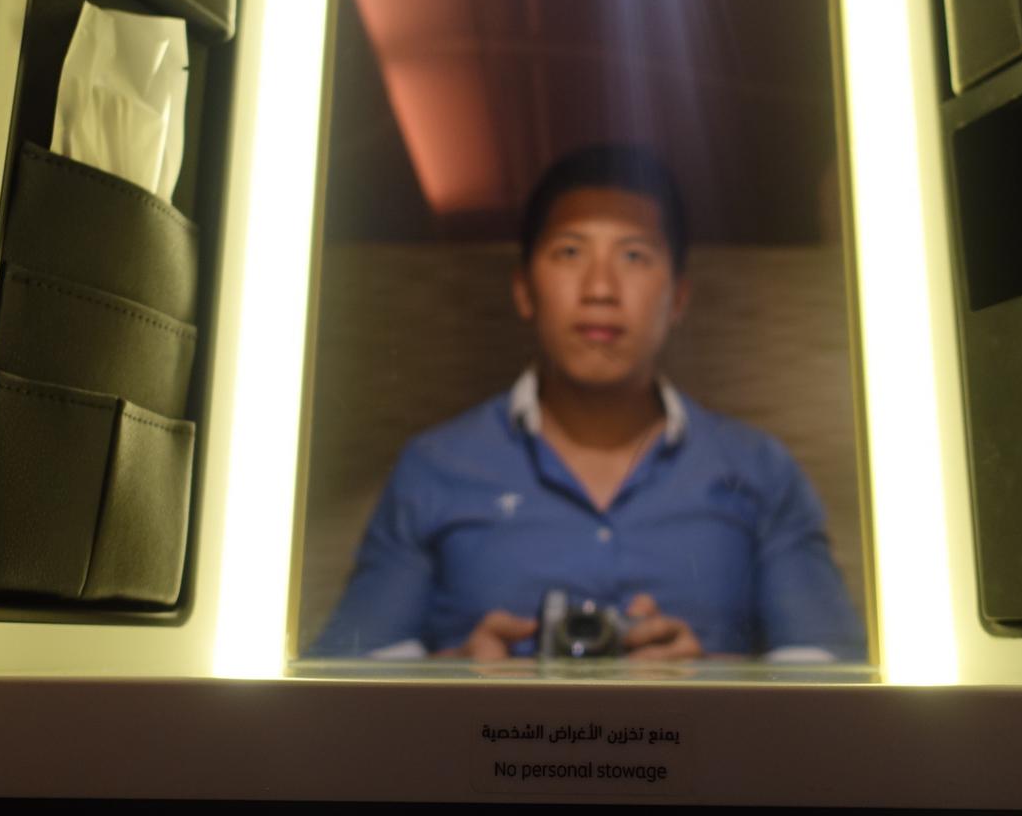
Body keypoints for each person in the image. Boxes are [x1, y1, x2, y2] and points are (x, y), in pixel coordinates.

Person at [309, 143, 866, 661]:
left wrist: (707, 679)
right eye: (570, 251)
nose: (600, 288)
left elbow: (831, 677)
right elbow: (341, 684)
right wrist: (456, 675)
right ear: (524, 289)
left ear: (678, 297)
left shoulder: (760, 470)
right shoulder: (434, 468)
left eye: (634, 255)